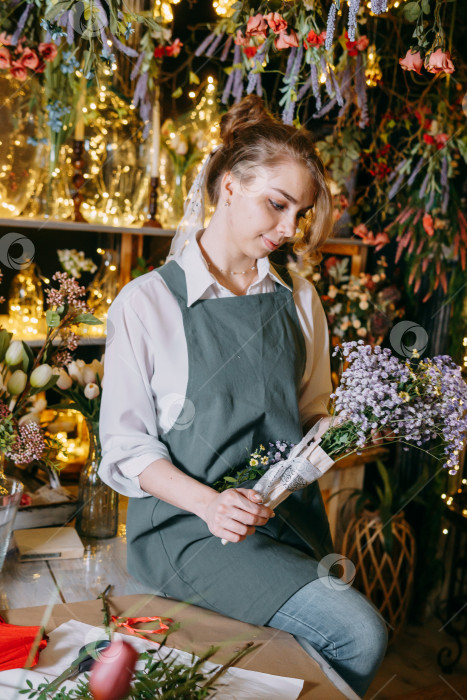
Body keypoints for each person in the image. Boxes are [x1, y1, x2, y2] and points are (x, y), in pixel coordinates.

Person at [99, 95, 388, 698]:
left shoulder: (301, 299)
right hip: (191, 531)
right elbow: (126, 447)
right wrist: (210, 505)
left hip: (287, 519)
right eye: (276, 205)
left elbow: (312, 413)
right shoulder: (146, 303)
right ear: (228, 187)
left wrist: (354, 431)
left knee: (304, 664)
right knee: (360, 634)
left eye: (300, 214)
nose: (289, 230)